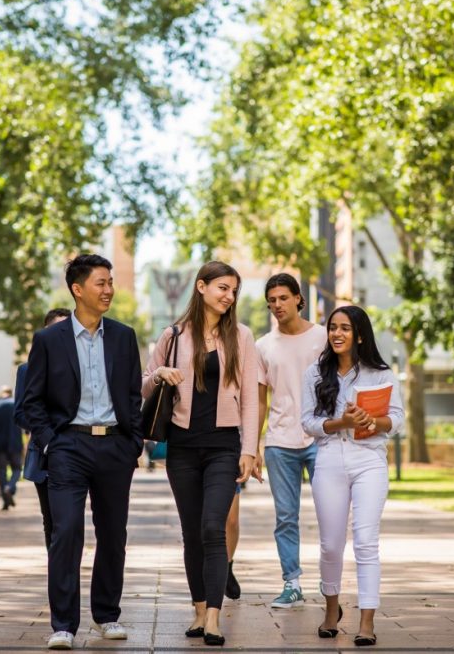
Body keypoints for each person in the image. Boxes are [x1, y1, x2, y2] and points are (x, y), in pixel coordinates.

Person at [24, 254, 143, 651]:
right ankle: (63, 625)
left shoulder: (124, 337)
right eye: (101, 283)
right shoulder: (48, 341)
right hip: (67, 447)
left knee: (113, 534)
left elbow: (132, 394)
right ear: (78, 290)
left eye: (111, 282)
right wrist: (49, 443)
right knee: (67, 530)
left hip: (114, 446)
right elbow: (30, 402)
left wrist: (133, 442)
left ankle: (107, 615)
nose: (109, 290)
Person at [142, 261, 261, 647]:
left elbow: (249, 399)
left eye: (233, 291)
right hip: (182, 449)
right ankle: (197, 610)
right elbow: (143, 386)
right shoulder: (173, 336)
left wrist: (249, 449)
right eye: (223, 288)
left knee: (213, 526)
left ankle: (213, 615)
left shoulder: (241, 336)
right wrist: (160, 375)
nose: (229, 296)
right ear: (201, 287)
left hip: (224, 447)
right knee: (192, 532)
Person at [301, 305, 404, 648]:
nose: (337, 334)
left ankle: (367, 621)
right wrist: (341, 423)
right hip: (329, 460)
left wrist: (372, 421)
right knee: (331, 545)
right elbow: (308, 423)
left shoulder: (381, 373)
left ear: (360, 334)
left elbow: (398, 418)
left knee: (365, 542)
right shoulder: (316, 372)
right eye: (333, 328)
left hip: (369, 461)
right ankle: (331, 610)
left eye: (345, 328)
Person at [255, 273, 328, 607]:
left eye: (283, 298)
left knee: (331, 512)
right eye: (271, 300)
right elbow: (259, 400)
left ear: (299, 299)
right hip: (280, 442)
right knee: (286, 516)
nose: (277, 305)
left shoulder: (324, 338)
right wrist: (253, 446)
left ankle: (331, 583)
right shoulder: (263, 346)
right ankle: (292, 583)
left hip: (321, 438)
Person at [13, 307, 70, 550]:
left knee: (70, 520)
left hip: (78, 451)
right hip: (43, 452)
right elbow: (19, 413)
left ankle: (69, 569)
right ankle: (58, 573)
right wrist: (47, 432)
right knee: (52, 519)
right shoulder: (27, 370)